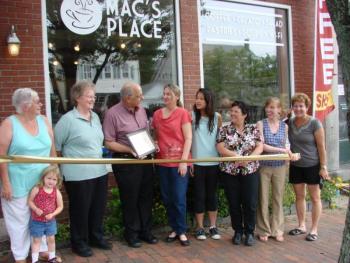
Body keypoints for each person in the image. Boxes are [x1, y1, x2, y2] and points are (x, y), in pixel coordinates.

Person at [55, 81, 111, 257]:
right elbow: (56, 148)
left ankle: (96, 236)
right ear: (77, 97)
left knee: (97, 207)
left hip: (99, 171)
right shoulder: (67, 120)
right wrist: (57, 172)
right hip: (77, 174)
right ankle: (78, 242)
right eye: (89, 95)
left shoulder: (95, 117)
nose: (93, 99)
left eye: (94, 95)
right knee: (80, 209)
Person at [0, 88, 57, 263]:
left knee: (43, 217)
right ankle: (19, 256)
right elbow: (1, 156)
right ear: (26, 106)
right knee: (19, 222)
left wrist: (54, 172)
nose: (41, 104)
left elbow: (52, 150)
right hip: (18, 182)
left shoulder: (44, 121)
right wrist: (6, 183)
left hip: (42, 182)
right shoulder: (9, 124)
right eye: (37, 101)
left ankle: (41, 251)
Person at [103, 81, 157, 248]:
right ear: (127, 98)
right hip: (126, 161)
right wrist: (129, 149)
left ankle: (146, 231)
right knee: (130, 199)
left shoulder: (142, 111)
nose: (142, 97)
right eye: (138, 95)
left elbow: (145, 133)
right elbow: (109, 142)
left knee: (146, 197)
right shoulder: (112, 114)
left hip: (145, 159)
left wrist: (152, 143)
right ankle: (131, 234)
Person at [216, 101, 263, 246]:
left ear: (244, 114)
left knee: (250, 203)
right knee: (234, 203)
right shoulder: (224, 129)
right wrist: (236, 156)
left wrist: (249, 159)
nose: (232, 114)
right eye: (231, 111)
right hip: (230, 172)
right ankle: (237, 231)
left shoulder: (253, 128)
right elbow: (220, 148)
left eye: (236, 111)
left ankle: (249, 232)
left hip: (250, 170)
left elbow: (259, 146)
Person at [152, 84, 192, 246]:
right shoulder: (156, 115)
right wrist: (154, 143)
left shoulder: (183, 113)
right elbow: (155, 135)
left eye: (169, 94)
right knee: (168, 198)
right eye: (164, 93)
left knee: (179, 198)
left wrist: (184, 162)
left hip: (179, 163)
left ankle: (182, 230)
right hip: (162, 162)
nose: (166, 96)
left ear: (177, 96)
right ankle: (174, 228)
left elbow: (188, 138)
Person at [287, 93, 329, 241]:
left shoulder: (314, 123)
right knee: (299, 196)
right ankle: (301, 225)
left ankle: (314, 229)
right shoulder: (289, 122)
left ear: (307, 107)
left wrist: (323, 167)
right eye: (295, 106)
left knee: (315, 198)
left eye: (301, 106)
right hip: (296, 165)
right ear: (292, 107)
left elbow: (321, 147)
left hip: (312, 165)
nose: (298, 109)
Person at [256, 97, 295, 242]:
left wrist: (289, 153)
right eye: (268, 107)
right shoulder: (260, 124)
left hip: (280, 166)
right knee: (263, 199)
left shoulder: (284, 127)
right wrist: (282, 150)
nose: (271, 110)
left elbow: (287, 144)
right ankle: (263, 229)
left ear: (279, 110)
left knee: (278, 198)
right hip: (264, 167)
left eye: (274, 108)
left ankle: (277, 230)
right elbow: (262, 146)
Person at [191, 88, 222, 241]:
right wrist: (189, 160)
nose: (198, 101)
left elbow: (220, 140)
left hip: (213, 163)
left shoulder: (217, 117)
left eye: (201, 99)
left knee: (212, 195)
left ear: (208, 101)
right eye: (197, 98)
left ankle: (213, 226)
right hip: (197, 163)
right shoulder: (191, 117)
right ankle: (200, 227)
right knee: (199, 195)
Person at [28, 165, 63, 263]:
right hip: (37, 221)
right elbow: (30, 201)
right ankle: (35, 260)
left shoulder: (56, 192)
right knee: (36, 241)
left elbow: (60, 206)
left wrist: (53, 214)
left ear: (57, 181)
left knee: (51, 239)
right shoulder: (37, 189)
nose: (51, 181)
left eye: (54, 179)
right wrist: (35, 209)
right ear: (43, 177)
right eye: (49, 178)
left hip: (50, 221)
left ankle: (52, 258)